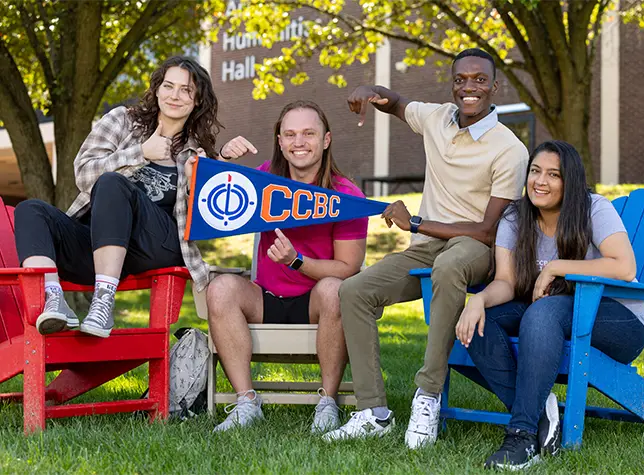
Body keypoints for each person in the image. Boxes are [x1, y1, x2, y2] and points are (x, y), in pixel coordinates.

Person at [324, 48, 529, 448]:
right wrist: (369, 89)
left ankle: (428, 396)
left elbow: (488, 231)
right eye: (460, 80)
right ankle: (372, 411)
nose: (469, 87)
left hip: (476, 250)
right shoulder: (437, 118)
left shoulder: (510, 149)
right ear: (453, 84)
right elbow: (396, 103)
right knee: (354, 290)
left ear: (494, 87)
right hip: (427, 246)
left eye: (479, 80)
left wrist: (415, 222)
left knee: (451, 264)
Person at [455, 140, 644, 469]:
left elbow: (625, 267)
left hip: (618, 320)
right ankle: (540, 408)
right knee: (480, 323)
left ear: (569, 180)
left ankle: (521, 436)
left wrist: (559, 267)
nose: (540, 181)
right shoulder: (516, 216)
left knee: (543, 312)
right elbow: (506, 281)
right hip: (548, 312)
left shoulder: (593, 208)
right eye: (535, 171)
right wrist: (479, 300)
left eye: (553, 175)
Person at [14, 56, 222, 338]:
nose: (175, 95)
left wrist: (201, 179)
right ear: (157, 89)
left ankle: (103, 303)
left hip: (155, 247)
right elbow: (84, 175)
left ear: (197, 100)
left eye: (186, 90)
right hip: (103, 247)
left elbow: (204, 222)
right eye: (168, 86)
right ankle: (54, 299)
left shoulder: (196, 153)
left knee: (113, 182)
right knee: (30, 209)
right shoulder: (122, 120)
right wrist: (140, 153)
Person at [205, 100, 368, 433]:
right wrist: (222, 158)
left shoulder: (346, 194)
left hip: (317, 303)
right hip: (265, 298)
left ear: (326, 140)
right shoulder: (265, 177)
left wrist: (297, 261)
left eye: (309, 133)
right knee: (220, 288)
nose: (299, 142)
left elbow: (349, 267)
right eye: (290, 134)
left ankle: (327, 403)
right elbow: (206, 194)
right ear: (279, 141)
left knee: (337, 290)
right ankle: (246, 403)